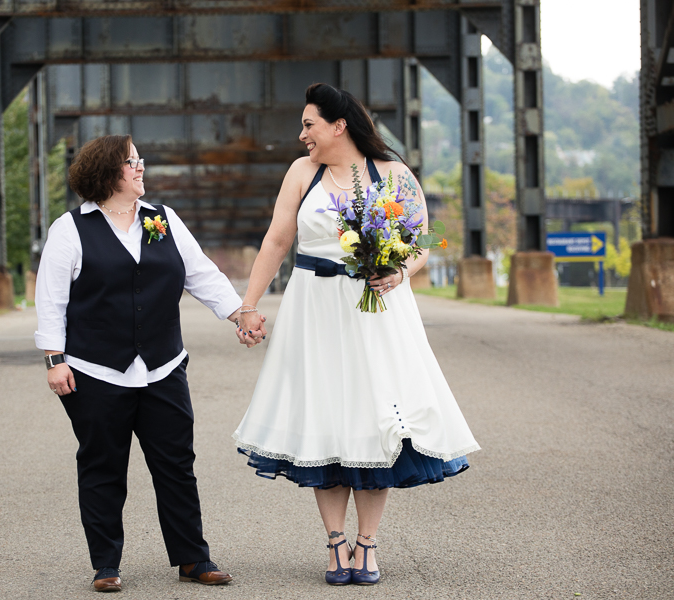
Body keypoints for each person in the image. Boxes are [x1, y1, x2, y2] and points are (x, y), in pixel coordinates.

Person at [232, 83, 480, 586]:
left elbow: (424, 240)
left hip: (377, 312)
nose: (301, 135)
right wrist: (248, 306)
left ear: (338, 125)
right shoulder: (302, 174)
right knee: (325, 420)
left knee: (377, 419)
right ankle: (334, 543)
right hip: (314, 310)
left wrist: (399, 270)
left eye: (309, 125)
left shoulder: (394, 174)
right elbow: (278, 238)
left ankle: (367, 543)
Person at [35, 134, 241, 592]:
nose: (141, 167)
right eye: (132, 161)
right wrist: (55, 359)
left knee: (176, 465)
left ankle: (193, 558)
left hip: (164, 367)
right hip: (95, 371)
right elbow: (51, 300)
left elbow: (201, 273)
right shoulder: (70, 229)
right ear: (109, 171)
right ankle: (106, 564)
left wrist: (238, 313)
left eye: (140, 160)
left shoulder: (163, 220)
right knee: (102, 466)